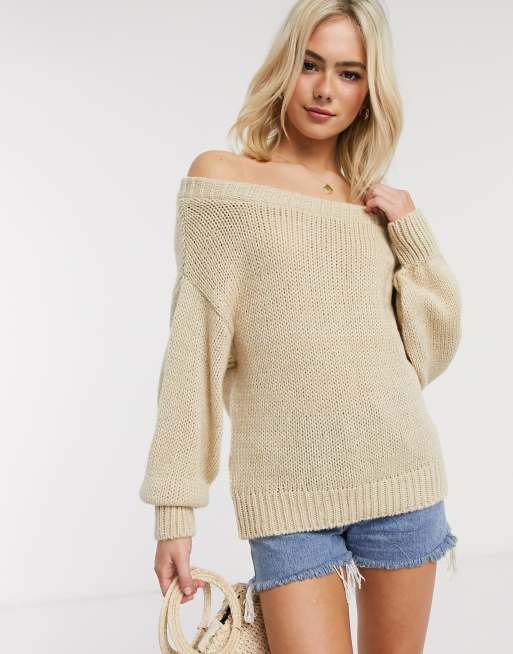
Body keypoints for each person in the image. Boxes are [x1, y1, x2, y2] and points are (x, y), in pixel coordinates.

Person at [139, 1, 462, 651]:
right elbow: (193, 350)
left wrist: (412, 234)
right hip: (286, 501)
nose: (324, 89)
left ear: (369, 91)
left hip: (400, 476)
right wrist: (175, 510)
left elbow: (425, 353)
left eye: (348, 73)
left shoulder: (372, 205)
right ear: (283, 68)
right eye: (310, 65)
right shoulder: (222, 183)